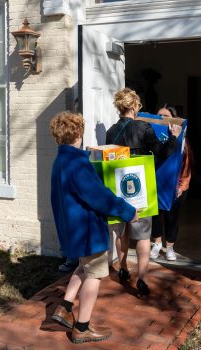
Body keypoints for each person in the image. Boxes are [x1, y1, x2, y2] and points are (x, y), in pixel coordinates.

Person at [49, 111, 138, 344]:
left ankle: (64, 308)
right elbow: (99, 197)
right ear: (78, 133)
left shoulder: (60, 161)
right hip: (87, 230)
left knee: (83, 266)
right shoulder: (79, 164)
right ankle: (82, 327)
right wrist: (128, 212)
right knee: (96, 274)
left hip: (74, 229)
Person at [105, 88, 182, 297]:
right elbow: (163, 153)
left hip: (118, 187)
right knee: (143, 236)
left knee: (123, 231)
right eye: (138, 106)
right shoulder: (143, 127)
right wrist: (173, 137)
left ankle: (122, 268)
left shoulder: (111, 131)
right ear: (132, 106)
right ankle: (141, 279)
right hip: (140, 187)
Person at [150, 103, 192, 261]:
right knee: (155, 216)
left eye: (165, 117)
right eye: (159, 116)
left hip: (176, 187)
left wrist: (181, 186)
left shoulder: (182, 142)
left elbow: (187, 167)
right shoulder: (151, 138)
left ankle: (170, 248)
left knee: (171, 217)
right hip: (156, 184)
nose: (162, 120)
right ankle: (157, 244)